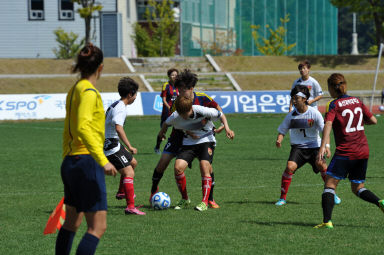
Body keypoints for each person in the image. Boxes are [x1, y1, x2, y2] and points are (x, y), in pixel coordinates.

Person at [56, 43, 118, 255]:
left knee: (72, 222)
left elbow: (69, 128)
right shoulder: (90, 92)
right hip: (86, 163)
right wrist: (102, 160)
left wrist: (68, 157)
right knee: (98, 226)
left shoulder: (74, 90)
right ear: (100, 68)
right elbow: (82, 126)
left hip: (71, 162)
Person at [314, 73, 384, 229]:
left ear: (332, 88)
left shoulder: (333, 104)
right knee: (358, 187)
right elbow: (374, 120)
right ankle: (380, 202)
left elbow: (328, 124)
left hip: (346, 151)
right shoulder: (357, 101)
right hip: (363, 150)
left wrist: (323, 146)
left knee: (330, 185)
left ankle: (327, 222)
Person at [150, 69, 224, 209]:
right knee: (163, 163)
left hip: (202, 136)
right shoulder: (177, 104)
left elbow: (217, 110)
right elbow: (174, 122)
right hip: (179, 135)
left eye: (184, 89)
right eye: (179, 89)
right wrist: (184, 132)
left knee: (206, 166)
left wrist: (221, 127)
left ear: (191, 88)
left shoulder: (201, 98)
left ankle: (210, 198)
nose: (181, 92)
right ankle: (154, 190)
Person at [158, 96, 234, 211]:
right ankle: (185, 199)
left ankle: (204, 202)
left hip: (206, 140)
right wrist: (162, 133)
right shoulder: (176, 116)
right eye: (181, 114)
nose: (184, 117)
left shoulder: (201, 110)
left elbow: (220, 114)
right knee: (178, 167)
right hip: (188, 143)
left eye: (186, 113)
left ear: (191, 108)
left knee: (204, 166)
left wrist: (227, 128)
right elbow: (165, 124)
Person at [275, 85, 341, 206]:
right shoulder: (290, 116)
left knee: (321, 165)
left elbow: (325, 131)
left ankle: (332, 194)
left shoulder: (314, 113)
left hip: (315, 147)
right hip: (298, 148)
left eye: (296, 98)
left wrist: (327, 146)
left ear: (304, 99)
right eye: (292, 98)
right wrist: (279, 140)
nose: (294, 101)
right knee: (290, 167)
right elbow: (282, 131)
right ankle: (282, 198)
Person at [104, 77, 145, 215]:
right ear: (130, 94)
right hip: (111, 147)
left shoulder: (117, 104)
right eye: (135, 94)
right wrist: (130, 145)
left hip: (113, 143)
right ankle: (130, 207)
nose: (135, 97)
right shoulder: (121, 108)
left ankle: (122, 192)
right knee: (129, 172)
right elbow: (118, 128)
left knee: (132, 163)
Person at [154, 68, 179, 154]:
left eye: (176, 75)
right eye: (172, 75)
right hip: (167, 112)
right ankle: (157, 147)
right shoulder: (166, 85)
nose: (174, 77)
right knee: (163, 131)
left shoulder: (179, 85)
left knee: (179, 129)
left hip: (177, 112)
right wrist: (170, 108)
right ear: (169, 76)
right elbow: (164, 100)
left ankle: (177, 148)